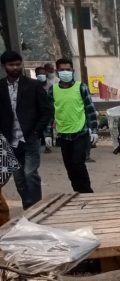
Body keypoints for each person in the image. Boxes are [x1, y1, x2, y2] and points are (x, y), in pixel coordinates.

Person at [0, 50, 53, 209]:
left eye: (18, 64)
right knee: (19, 178)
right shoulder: (0, 87)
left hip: (30, 137)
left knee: (30, 173)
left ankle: (36, 208)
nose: (15, 67)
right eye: (11, 65)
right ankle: (28, 206)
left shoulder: (34, 85)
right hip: (10, 141)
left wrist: (37, 132)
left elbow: (47, 111)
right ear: (4, 66)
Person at [47, 57, 97, 193]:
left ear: (73, 71)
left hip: (80, 132)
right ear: (57, 72)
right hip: (63, 134)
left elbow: (90, 109)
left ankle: (87, 192)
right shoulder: (53, 90)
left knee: (78, 164)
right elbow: (50, 113)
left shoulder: (81, 87)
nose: (65, 72)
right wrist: (48, 134)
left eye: (68, 70)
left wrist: (94, 130)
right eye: (62, 70)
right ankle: (77, 192)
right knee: (69, 167)